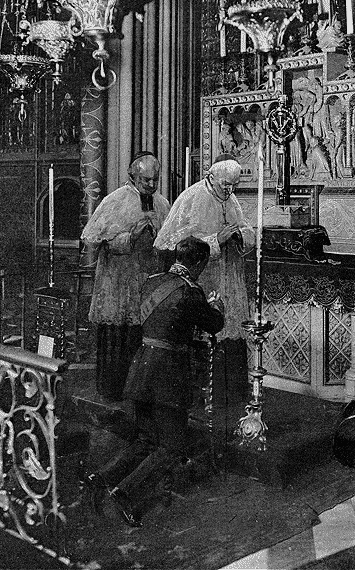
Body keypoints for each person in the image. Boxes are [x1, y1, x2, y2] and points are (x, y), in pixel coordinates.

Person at [83, 237, 225, 526]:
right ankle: (126, 494)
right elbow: (214, 324)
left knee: (146, 439)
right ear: (199, 263)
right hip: (168, 375)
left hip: (141, 368)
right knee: (172, 446)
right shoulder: (190, 291)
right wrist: (217, 307)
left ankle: (101, 478)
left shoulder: (152, 281)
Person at [153, 155, 255, 404]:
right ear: (211, 177)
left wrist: (241, 236)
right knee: (207, 329)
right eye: (225, 185)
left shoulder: (230, 198)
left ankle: (231, 395)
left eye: (234, 185)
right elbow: (171, 243)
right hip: (203, 278)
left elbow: (245, 227)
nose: (230, 190)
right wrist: (216, 240)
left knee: (231, 330)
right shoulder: (192, 197)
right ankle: (206, 397)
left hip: (230, 275)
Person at [81, 153, 170, 401]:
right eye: (145, 180)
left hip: (147, 281)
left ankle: (140, 393)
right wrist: (130, 236)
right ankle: (112, 392)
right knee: (117, 338)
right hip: (117, 283)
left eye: (155, 180)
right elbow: (91, 238)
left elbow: (170, 239)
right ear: (132, 176)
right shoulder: (115, 200)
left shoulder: (162, 203)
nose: (151, 185)